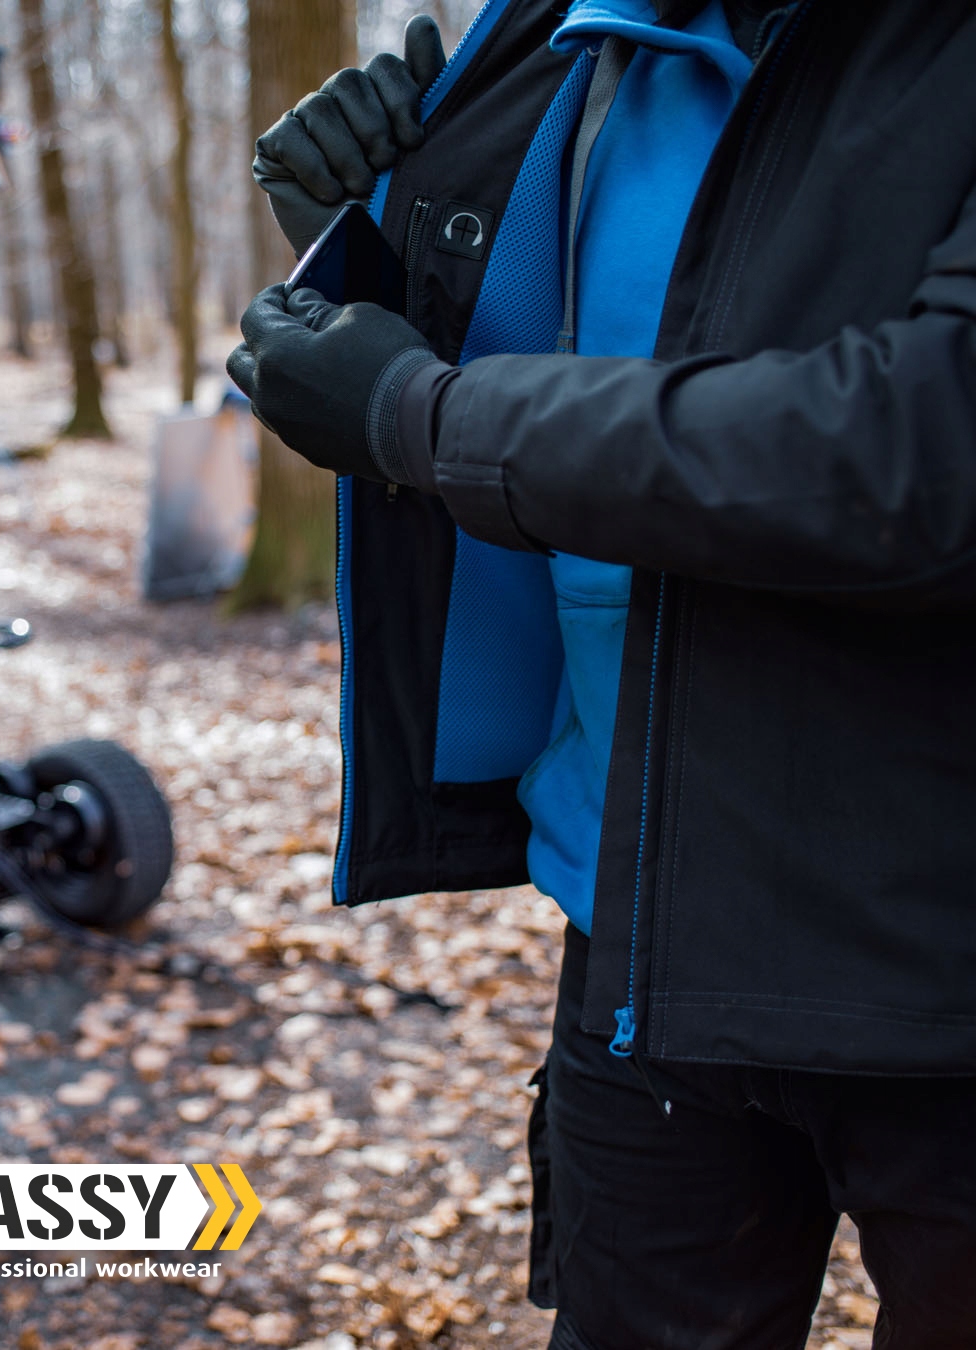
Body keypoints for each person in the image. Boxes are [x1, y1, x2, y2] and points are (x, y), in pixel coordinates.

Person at [230, 2, 976, 1345]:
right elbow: (553, 367)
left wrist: (418, 416)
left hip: (936, 960)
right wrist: (371, 234)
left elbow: (928, 442)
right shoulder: (571, 39)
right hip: (637, 918)